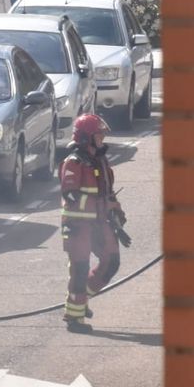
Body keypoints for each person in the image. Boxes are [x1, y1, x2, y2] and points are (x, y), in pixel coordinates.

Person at [60, 112, 124, 331]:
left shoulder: (100, 160)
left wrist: (116, 210)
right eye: (98, 135)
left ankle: (77, 300)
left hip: (100, 223)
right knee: (80, 269)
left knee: (112, 262)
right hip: (79, 227)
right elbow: (71, 195)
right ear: (87, 137)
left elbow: (108, 191)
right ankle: (75, 319)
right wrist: (104, 205)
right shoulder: (73, 162)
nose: (102, 139)